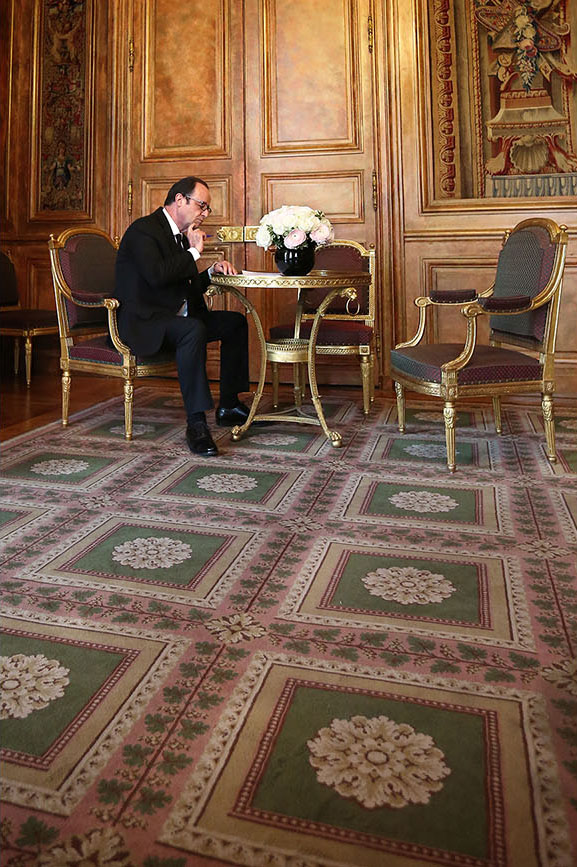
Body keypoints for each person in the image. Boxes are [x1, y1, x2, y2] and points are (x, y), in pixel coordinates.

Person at [114, 176, 253, 457]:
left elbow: (182, 286)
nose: (204, 214)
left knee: (234, 323)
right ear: (180, 200)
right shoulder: (143, 231)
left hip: (175, 318)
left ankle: (229, 405)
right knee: (192, 330)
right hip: (146, 322)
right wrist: (193, 252)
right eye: (202, 206)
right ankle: (197, 424)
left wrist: (211, 271)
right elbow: (156, 277)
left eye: (206, 209)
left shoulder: (181, 235)